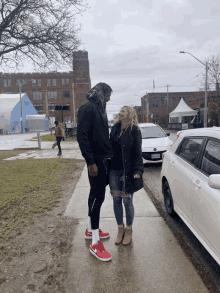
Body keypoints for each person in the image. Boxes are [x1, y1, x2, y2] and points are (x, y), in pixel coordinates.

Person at [77, 82, 113, 262]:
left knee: (96, 195)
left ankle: (91, 229)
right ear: (100, 93)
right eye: (107, 95)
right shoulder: (88, 109)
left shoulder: (99, 109)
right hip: (96, 161)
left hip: (103, 159)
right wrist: (90, 162)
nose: (109, 98)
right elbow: (81, 137)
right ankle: (95, 242)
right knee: (98, 197)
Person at [109, 106, 144, 246]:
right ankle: (120, 229)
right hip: (113, 170)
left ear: (130, 114)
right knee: (116, 199)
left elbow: (137, 152)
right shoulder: (115, 128)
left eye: (123, 111)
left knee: (127, 200)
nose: (120, 113)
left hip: (127, 171)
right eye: (120, 111)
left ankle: (128, 230)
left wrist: (138, 170)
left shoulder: (134, 130)